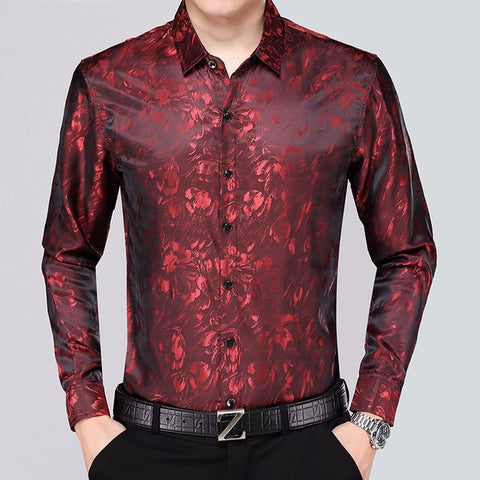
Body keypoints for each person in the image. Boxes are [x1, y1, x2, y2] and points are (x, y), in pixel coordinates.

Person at [40, 1, 437, 479]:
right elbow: (67, 254)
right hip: (152, 451)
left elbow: (408, 252)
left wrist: (371, 418)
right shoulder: (109, 83)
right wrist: (88, 415)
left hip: (307, 450)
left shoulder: (350, 81)